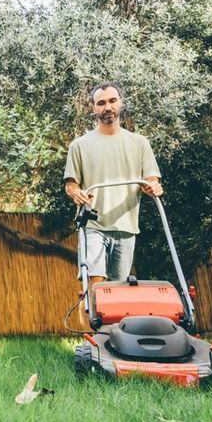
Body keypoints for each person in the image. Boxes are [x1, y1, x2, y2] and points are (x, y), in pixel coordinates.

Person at [64, 81, 163, 283]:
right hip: (93, 224)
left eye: (112, 101)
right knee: (95, 283)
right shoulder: (80, 146)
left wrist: (153, 187)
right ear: (93, 107)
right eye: (101, 103)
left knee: (119, 291)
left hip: (126, 228)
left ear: (121, 103)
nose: (107, 107)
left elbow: (152, 179)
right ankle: (88, 312)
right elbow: (71, 185)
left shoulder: (140, 143)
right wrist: (76, 194)